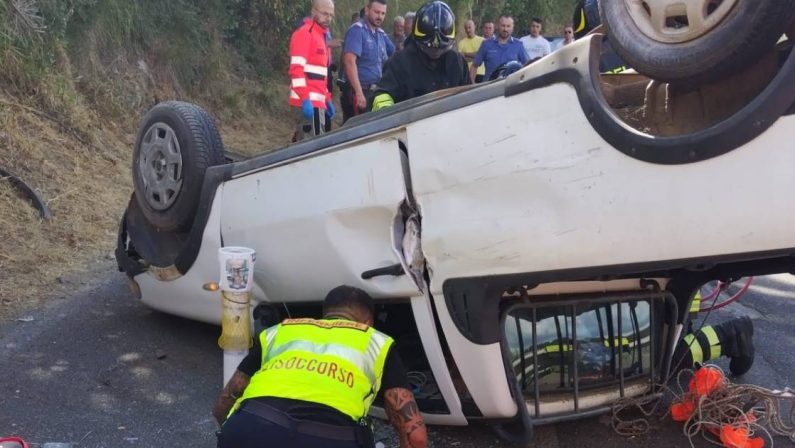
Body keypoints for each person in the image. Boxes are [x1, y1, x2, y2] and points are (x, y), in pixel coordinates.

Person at [213, 285, 428, 448]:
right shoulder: (376, 342)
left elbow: (228, 396)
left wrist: (234, 432)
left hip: (250, 428)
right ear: (368, 322)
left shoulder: (280, 331)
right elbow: (415, 436)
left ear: (325, 314)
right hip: (329, 439)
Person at [371, 0, 470, 111]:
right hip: (409, 125)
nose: (435, 53)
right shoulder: (398, 63)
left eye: (440, 49)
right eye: (429, 49)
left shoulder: (457, 62)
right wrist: (385, 108)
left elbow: (469, 97)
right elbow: (382, 94)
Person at [288, 0, 336, 142]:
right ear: (314, 11)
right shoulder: (305, 34)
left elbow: (320, 75)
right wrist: (305, 99)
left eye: (331, 15)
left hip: (317, 103)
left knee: (308, 146)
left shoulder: (321, 37)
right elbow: (296, 71)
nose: (328, 18)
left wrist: (327, 99)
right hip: (308, 103)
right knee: (310, 148)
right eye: (325, 14)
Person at [340, 0, 395, 122]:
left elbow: (395, 56)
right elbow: (349, 61)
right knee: (357, 132)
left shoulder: (380, 34)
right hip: (359, 92)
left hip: (375, 92)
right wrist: (359, 92)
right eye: (376, 12)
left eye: (383, 13)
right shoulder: (357, 31)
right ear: (367, 10)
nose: (379, 16)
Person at [471, 15, 529, 83]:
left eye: (508, 26)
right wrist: (472, 83)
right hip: (488, 88)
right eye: (503, 26)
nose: (505, 29)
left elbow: (528, 65)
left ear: (512, 27)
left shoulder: (518, 45)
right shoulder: (486, 44)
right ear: (498, 26)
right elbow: (474, 65)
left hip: (510, 88)